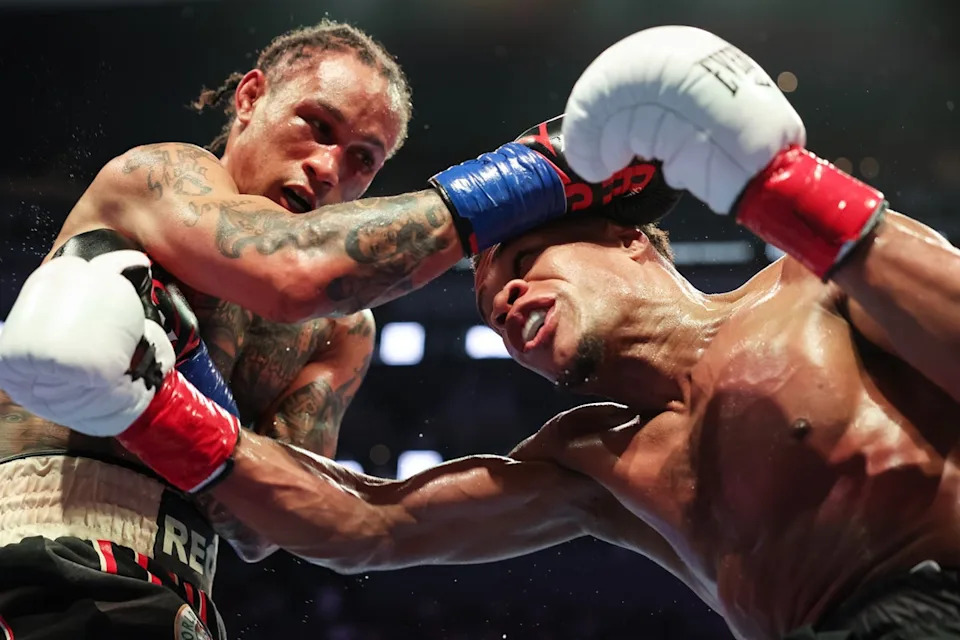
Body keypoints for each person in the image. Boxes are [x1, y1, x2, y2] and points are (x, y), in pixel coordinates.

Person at [16, 24, 959, 640]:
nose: (501, 302)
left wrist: (779, 189)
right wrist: (157, 405)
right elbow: (365, 526)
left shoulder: (809, 286)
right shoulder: (594, 461)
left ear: (631, 241)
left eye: (521, 263)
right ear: (249, 96)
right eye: (486, 297)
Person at [0, 16, 664, 638]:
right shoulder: (159, 179)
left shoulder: (342, 333)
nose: (328, 168)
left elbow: (265, 527)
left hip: (176, 593)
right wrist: (544, 173)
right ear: (251, 98)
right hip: (29, 545)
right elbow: (292, 269)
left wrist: (182, 374)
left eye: (363, 160)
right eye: (317, 126)